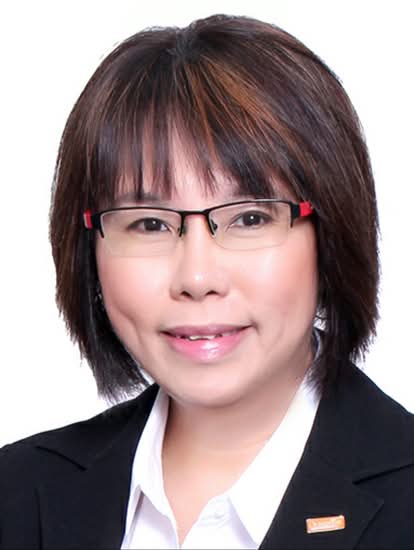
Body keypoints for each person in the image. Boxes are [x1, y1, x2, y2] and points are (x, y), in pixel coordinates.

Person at [1, 13, 414, 550]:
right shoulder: (16, 494)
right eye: (149, 224)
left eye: (250, 218)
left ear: (331, 232)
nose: (197, 278)